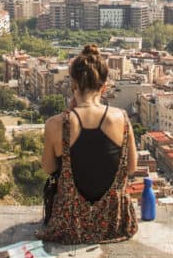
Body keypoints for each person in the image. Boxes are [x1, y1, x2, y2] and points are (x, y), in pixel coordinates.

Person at [38, 44, 138, 244]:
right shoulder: (122, 119)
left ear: (73, 84)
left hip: (69, 224)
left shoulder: (56, 124)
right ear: (104, 87)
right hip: (114, 223)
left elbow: (49, 168)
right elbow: (131, 168)